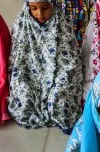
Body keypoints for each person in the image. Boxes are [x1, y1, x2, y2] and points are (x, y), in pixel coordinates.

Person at [8, 0, 83, 134]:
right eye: (34, 8)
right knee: (24, 101)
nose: (39, 14)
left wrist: (60, 82)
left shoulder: (62, 24)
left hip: (58, 75)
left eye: (45, 8)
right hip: (30, 75)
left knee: (59, 100)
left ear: (53, 5)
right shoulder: (22, 24)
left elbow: (71, 62)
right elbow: (17, 61)